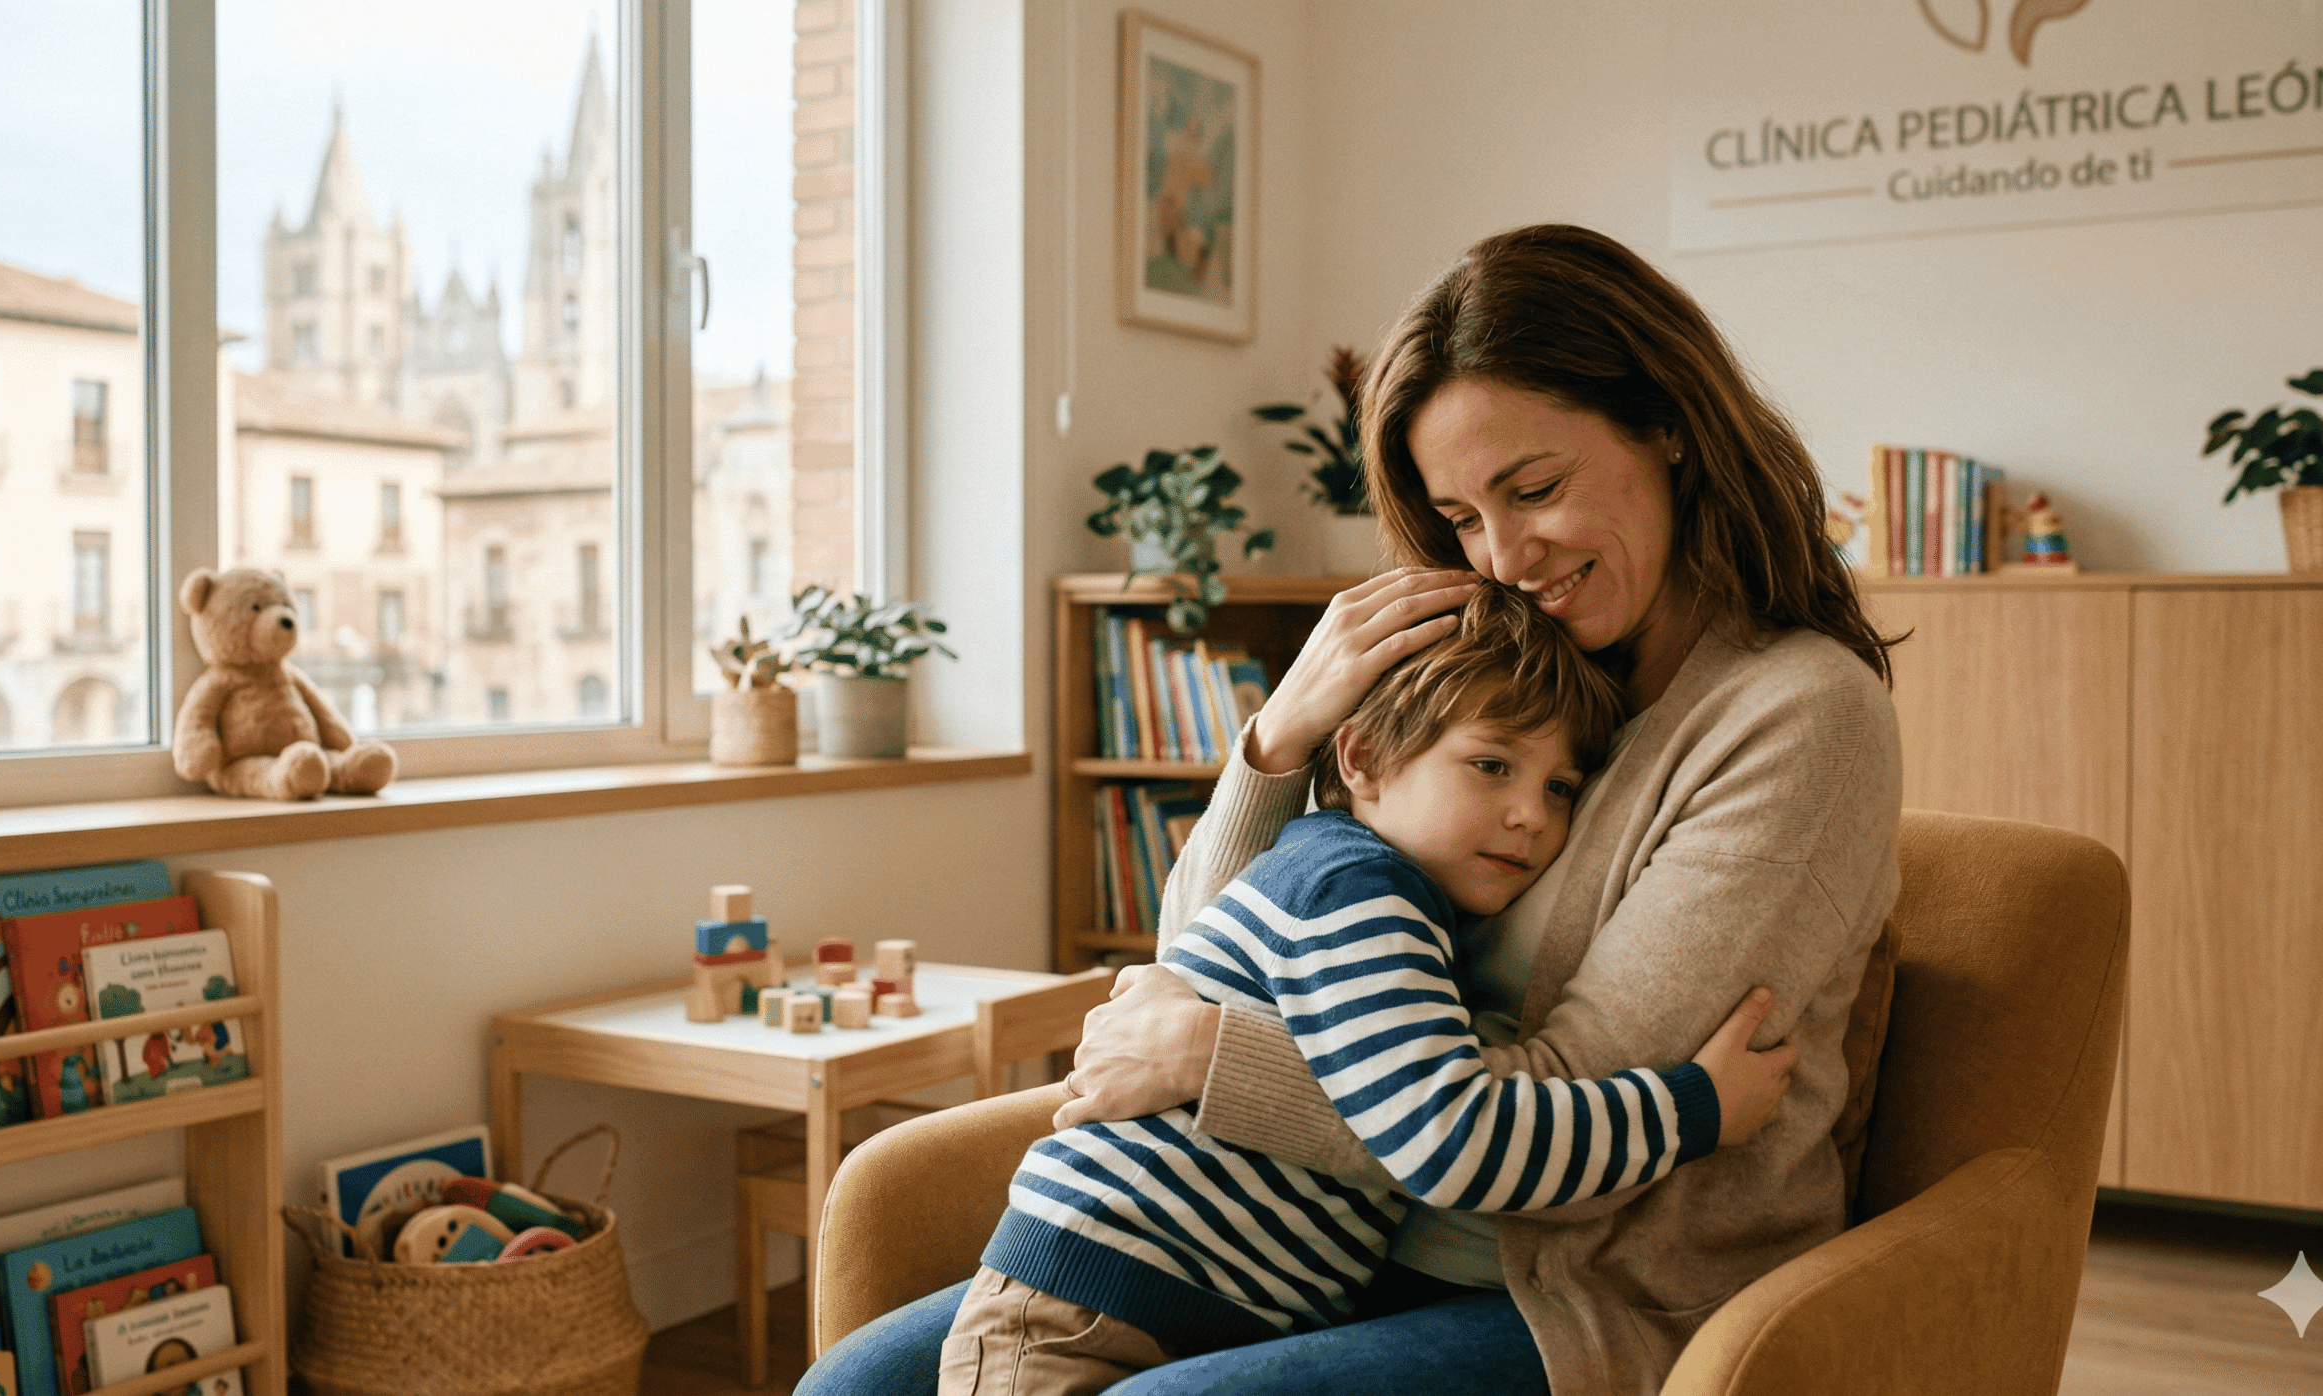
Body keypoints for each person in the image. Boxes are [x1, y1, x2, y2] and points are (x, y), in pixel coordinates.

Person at [802, 223, 1901, 1396]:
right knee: (853, 1388)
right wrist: (1281, 740)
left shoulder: (1796, 715)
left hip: (1586, 1287)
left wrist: (1214, 1059)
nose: (1505, 556)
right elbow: (1209, 955)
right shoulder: (1514, 680)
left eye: (1534, 488)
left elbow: (1566, 1094)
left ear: (1669, 426)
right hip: (1329, 1251)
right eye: (1463, 518)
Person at [939, 583, 1797, 1395]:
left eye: (1560, 786)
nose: (1532, 814)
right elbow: (1453, 1139)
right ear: (1363, 760)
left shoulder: (1378, 893)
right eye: (1492, 765)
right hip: (1097, 1309)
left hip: (1171, 1307)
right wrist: (1694, 1109)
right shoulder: (1356, 892)